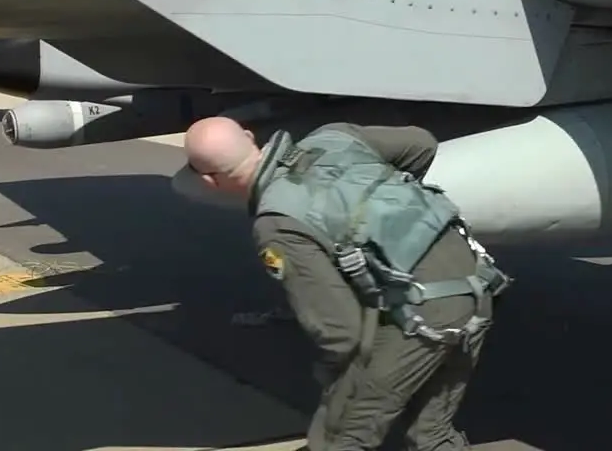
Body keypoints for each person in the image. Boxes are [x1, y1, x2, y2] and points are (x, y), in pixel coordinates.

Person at [184, 116, 508, 451]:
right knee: (430, 433)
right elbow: (421, 142)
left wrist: (337, 387)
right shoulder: (336, 137)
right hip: (475, 285)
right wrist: (390, 212)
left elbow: (341, 333)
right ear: (249, 137)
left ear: (210, 180)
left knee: (341, 436)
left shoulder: (277, 223)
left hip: (423, 314)